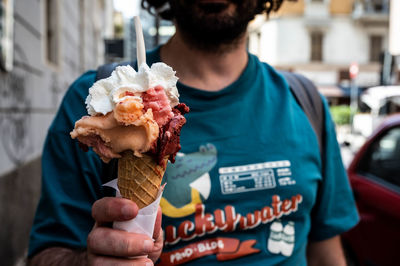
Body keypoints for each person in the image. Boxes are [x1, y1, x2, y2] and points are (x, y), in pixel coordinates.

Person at [28, 0, 359, 265]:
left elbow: (326, 251)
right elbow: (46, 254)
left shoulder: (305, 102)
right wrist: (88, 261)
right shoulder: (97, 104)